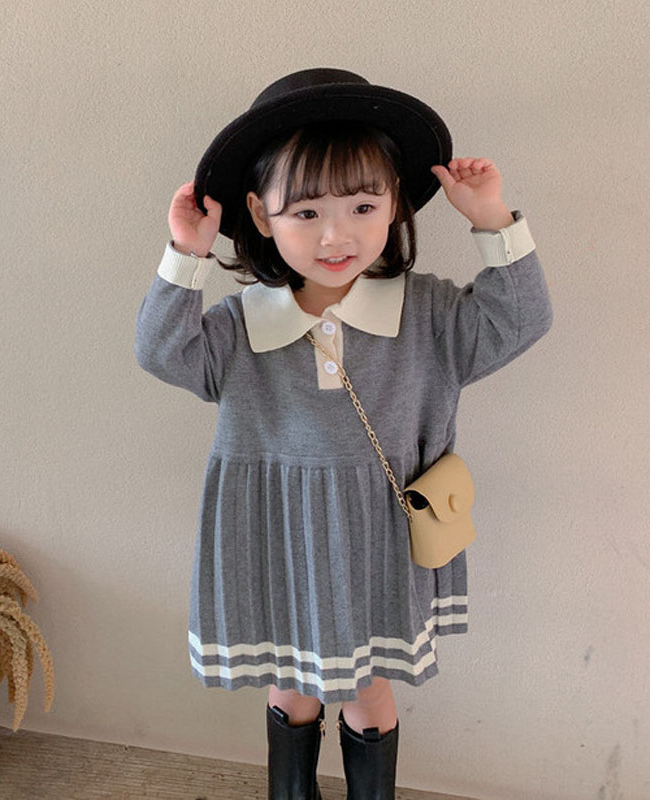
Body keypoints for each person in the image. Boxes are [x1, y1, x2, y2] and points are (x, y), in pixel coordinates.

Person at [134, 68, 552, 800]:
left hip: (376, 545)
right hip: (277, 538)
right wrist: (186, 254)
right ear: (261, 215)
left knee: (368, 687)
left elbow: (522, 318)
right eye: (306, 212)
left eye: (363, 205)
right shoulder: (239, 326)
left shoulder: (429, 315)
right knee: (291, 685)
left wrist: (491, 218)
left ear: (395, 205)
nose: (338, 234)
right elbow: (161, 350)